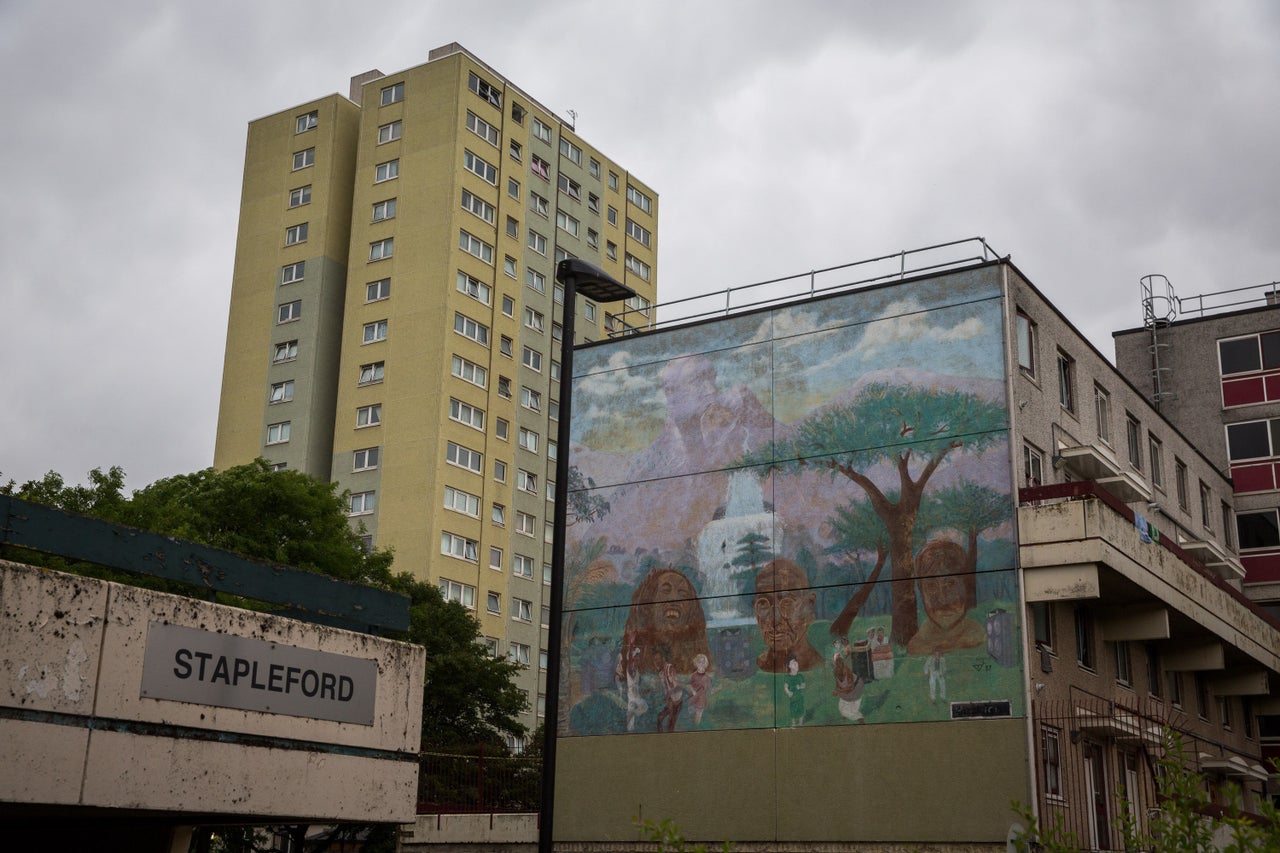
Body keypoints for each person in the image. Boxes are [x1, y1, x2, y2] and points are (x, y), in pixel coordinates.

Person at [906, 539, 986, 655]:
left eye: (950, 584)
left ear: (966, 587)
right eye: (932, 586)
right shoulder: (916, 647)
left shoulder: (981, 637)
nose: (942, 599)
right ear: (921, 591)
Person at [753, 558, 822, 673]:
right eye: (763, 604)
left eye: (787, 604)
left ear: (809, 606)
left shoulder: (819, 666)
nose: (775, 621)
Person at [831, 639, 865, 722]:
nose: (838, 663)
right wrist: (837, 689)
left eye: (839, 661)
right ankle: (846, 714)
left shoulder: (847, 670)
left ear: (842, 662)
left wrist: (838, 691)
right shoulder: (835, 671)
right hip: (845, 691)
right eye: (836, 662)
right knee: (841, 707)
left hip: (856, 688)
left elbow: (850, 687)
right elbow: (837, 683)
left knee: (851, 710)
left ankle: (859, 717)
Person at [655, 653, 684, 732]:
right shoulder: (660, 673)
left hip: (677, 701)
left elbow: (678, 687)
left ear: (663, 659)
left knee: (670, 726)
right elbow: (665, 687)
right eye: (655, 660)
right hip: (670, 701)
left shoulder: (669, 668)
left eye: (658, 659)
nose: (656, 662)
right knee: (660, 718)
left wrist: (669, 694)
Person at [782, 655, 806, 727]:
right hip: (793, 699)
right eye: (792, 663)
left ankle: (800, 723)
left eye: (796, 662)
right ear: (789, 666)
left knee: (801, 710)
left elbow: (804, 685)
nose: (795, 664)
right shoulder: (787, 677)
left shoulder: (800, 676)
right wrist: (788, 692)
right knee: (793, 711)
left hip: (800, 697)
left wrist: (800, 687)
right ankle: (794, 724)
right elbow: (785, 687)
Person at [688, 653, 711, 725]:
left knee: (697, 719)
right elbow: (689, 684)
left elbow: (709, 689)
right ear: (696, 663)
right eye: (699, 662)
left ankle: (696, 729)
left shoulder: (707, 677)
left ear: (705, 664)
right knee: (691, 718)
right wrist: (692, 690)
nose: (701, 664)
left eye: (703, 662)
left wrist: (719, 688)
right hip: (693, 699)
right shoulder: (693, 675)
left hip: (701, 700)